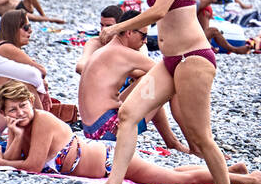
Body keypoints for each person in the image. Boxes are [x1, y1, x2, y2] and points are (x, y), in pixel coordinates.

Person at [76, 0, 238, 184]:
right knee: (128, 113)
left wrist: (114, 29)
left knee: (200, 136)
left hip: (193, 59)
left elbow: (159, 10)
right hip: (170, 61)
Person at [0, 82, 261, 184]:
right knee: (171, 173)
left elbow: (29, 165)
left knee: (179, 181)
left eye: (23, 106)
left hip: (110, 162)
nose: (20, 113)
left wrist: (4, 156)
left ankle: (250, 181)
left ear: (32, 103)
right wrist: (14, 135)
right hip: (104, 159)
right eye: (12, 110)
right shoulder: (22, 128)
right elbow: (13, 158)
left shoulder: (41, 121)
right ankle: (232, 171)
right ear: (3, 113)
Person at [78, 16, 190, 153]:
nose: (146, 41)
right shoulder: (125, 54)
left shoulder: (103, 51)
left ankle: (172, 142)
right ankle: (195, 144)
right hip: (107, 132)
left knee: (149, 82)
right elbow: (167, 73)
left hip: (91, 132)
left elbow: (143, 75)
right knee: (165, 82)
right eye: (143, 36)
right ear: (129, 32)